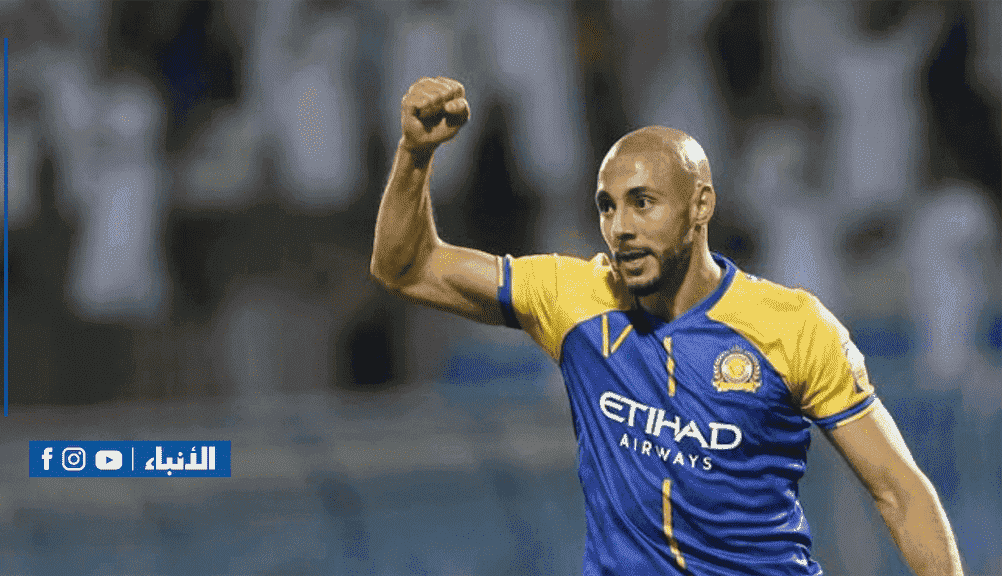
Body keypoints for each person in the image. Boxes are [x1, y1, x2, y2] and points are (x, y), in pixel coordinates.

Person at [370, 76, 964, 576]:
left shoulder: (794, 327)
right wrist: (414, 155)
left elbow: (900, 492)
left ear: (701, 205)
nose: (621, 227)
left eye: (643, 202)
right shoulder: (571, 298)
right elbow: (406, 267)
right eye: (607, 206)